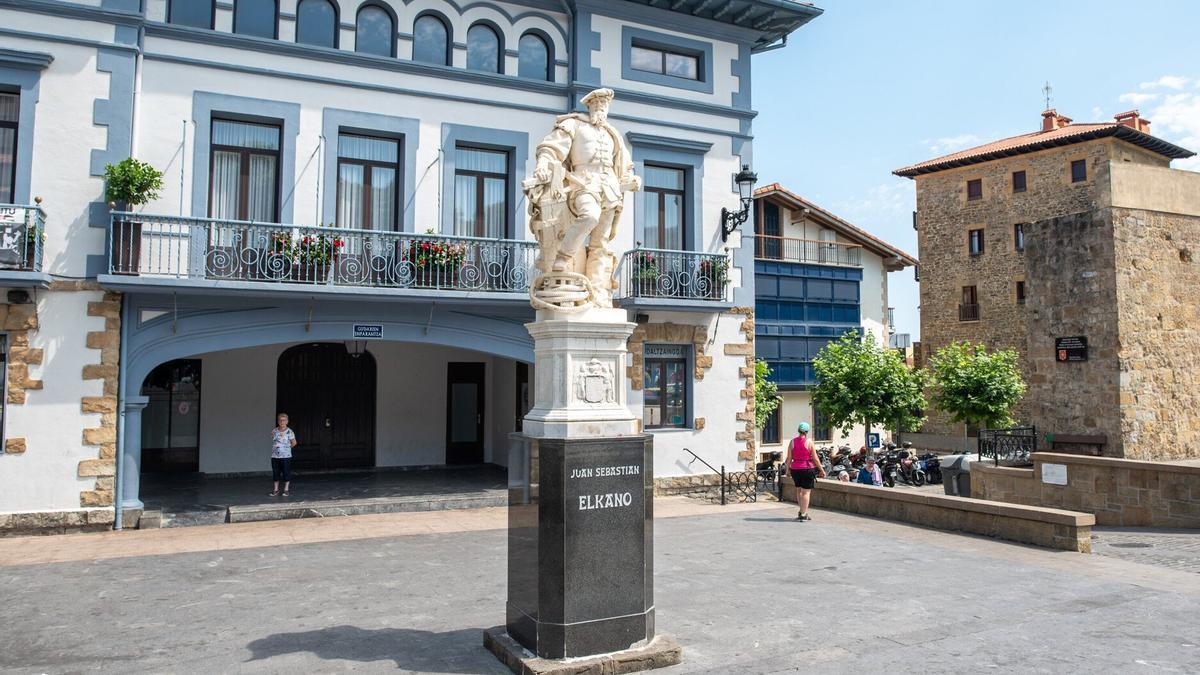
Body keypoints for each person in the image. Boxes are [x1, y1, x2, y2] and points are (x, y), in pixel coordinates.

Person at [784, 422, 826, 521]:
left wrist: (787, 470)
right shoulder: (809, 442)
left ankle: (801, 511)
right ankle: (803, 514)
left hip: (795, 469)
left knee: (799, 490)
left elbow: (789, 458)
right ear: (807, 432)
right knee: (806, 492)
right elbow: (815, 459)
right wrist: (821, 470)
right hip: (807, 468)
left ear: (799, 431)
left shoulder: (792, 442)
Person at [270, 413, 297, 497]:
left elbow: (294, 443)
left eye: (284, 420)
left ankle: (286, 490)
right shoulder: (274, 431)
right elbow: (273, 439)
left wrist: (286, 448)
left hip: (286, 456)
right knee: (275, 472)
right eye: (280, 420)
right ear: (278, 421)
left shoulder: (290, 431)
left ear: (287, 421)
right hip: (275, 456)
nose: (282, 422)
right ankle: (276, 490)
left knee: (286, 472)